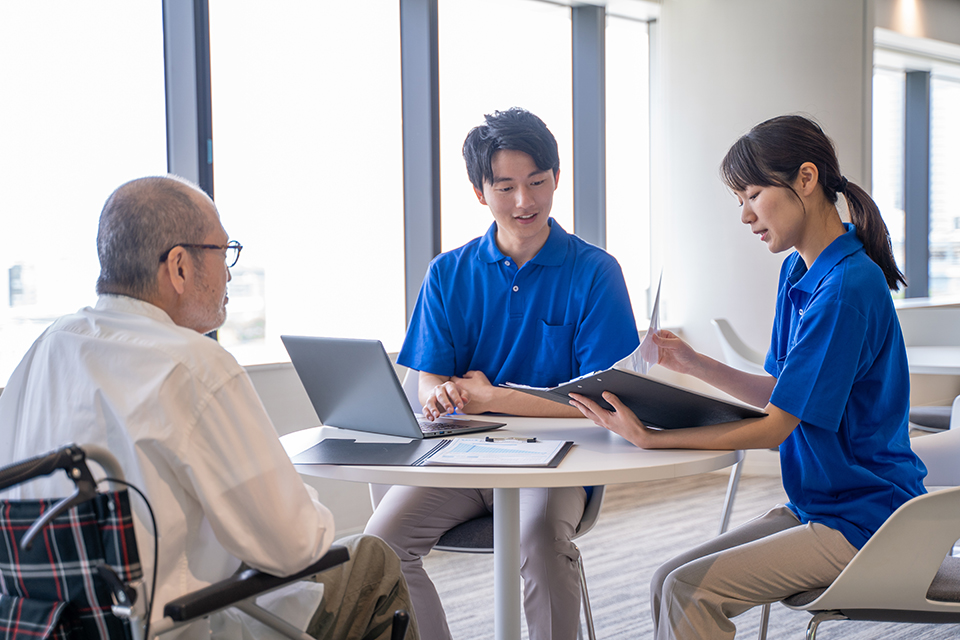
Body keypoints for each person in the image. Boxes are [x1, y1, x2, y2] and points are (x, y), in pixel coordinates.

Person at [0, 176, 419, 640]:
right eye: (224, 252)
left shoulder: (43, 350)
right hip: (183, 626)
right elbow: (295, 547)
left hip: (53, 627)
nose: (231, 273)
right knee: (370, 559)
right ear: (179, 266)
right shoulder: (193, 366)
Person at [571, 114, 928, 640]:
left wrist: (653, 439)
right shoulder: (800, 271)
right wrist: (691, 363)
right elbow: (782, 395)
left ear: (806, 179)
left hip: (868, 521)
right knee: (665, 580)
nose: (744, 215)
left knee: (688, 590)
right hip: (822, 505)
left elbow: (774, 427)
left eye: (753, 195)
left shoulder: (847, 288)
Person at [364, 107, 640, 640]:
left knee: (538, 540)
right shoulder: (448, 273)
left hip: (562, 460)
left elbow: (603, 400)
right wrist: (443, 394)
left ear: (556, 178)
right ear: (479, 191)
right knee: (381, 547)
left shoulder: (596, 273)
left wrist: (490, 396)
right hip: (466, 457)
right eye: (506, 186)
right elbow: (429, 379)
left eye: (537, 182)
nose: (525, 201)